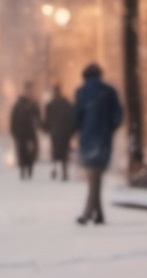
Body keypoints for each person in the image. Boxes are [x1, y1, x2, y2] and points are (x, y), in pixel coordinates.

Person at [74, 63, 124, 224]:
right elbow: (118, 116)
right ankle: (97, 213)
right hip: (103, 139)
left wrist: (82, 129)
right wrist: (108, 129)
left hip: (88, 139)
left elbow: (76, 117)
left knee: (93, 176)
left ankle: (88, 213)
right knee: (96, 176)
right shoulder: (109, 92)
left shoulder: (82, 93)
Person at [43, 83, 76, 180]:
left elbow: (47, 120)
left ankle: (55, 170)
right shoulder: (66, 102)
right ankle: (64, 172)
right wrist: (72, 130)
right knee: (64, 153)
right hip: (65, 132)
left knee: (55, 152)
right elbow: (71, 117)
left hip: (55, 132)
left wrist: (47, 129)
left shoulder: (50, 104)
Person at [9, 83, 41, 179]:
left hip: (31, 133)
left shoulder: (34, 104)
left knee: (31, 152)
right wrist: (14, 132)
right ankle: (23, 170)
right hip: (21, 133)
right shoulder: (19, 105)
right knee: (22, 152)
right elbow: (13, 119)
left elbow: (38, 119)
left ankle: (30, 169)